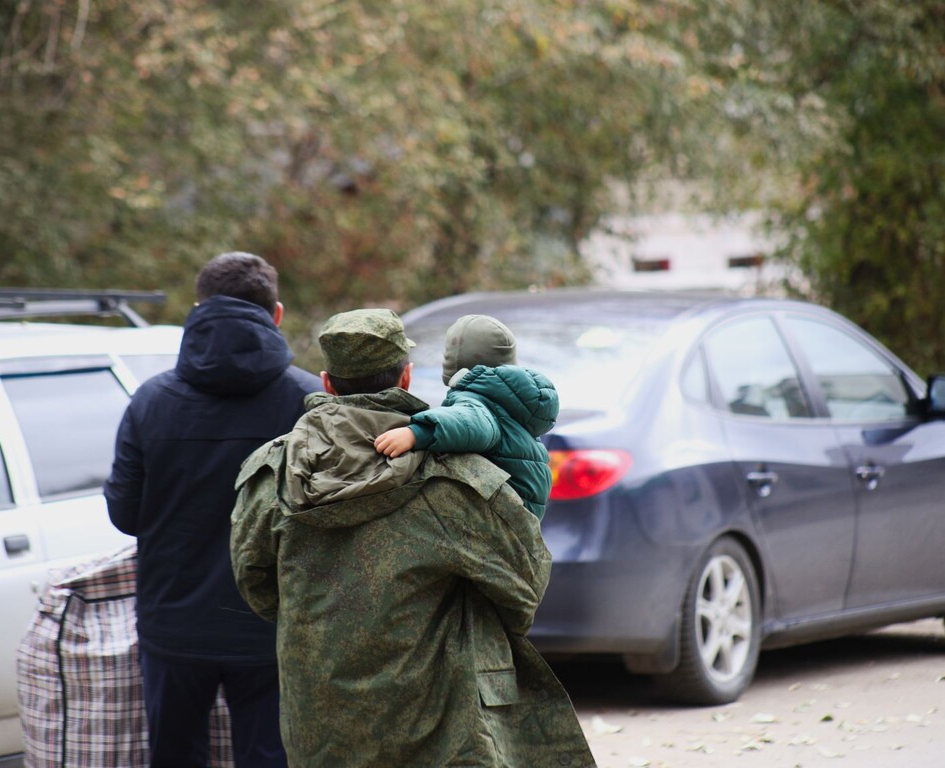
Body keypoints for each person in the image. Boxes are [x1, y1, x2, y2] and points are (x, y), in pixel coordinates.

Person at [230, 309, 596, 768]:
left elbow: (256, 583)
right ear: (406, 376)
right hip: (443, 723)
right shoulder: (459, 476)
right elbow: (524, 585)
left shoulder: (271, 473)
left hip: (321, 721)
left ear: (326, 382)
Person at [105, 252, 321, 768]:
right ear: (277, 314)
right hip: (274, 630)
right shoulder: (310, 402)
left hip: (173, 626)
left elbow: (125, 515)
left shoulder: (150, 402)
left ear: (199, 308)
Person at [373, 313, 558, 520]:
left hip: (505, 510)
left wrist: (416, 433)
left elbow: (474, 423)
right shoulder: (504, 399)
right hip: (522, 504)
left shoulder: (475, 400)